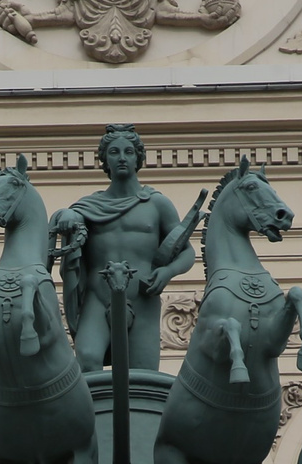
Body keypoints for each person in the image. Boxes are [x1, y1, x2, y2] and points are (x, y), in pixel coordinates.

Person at [51, 123, 209, 373]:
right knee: (88, 360)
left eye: (128, 152)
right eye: (114, 152)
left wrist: (168, 272)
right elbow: (69, 224)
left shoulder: (157, 204)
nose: (122, 158)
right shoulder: (88, 208)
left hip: (143, 299)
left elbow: (187, 252)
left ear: (138, 158)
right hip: (98, 298)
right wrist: (65, 215)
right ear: (105, 161)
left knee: (142, 375)